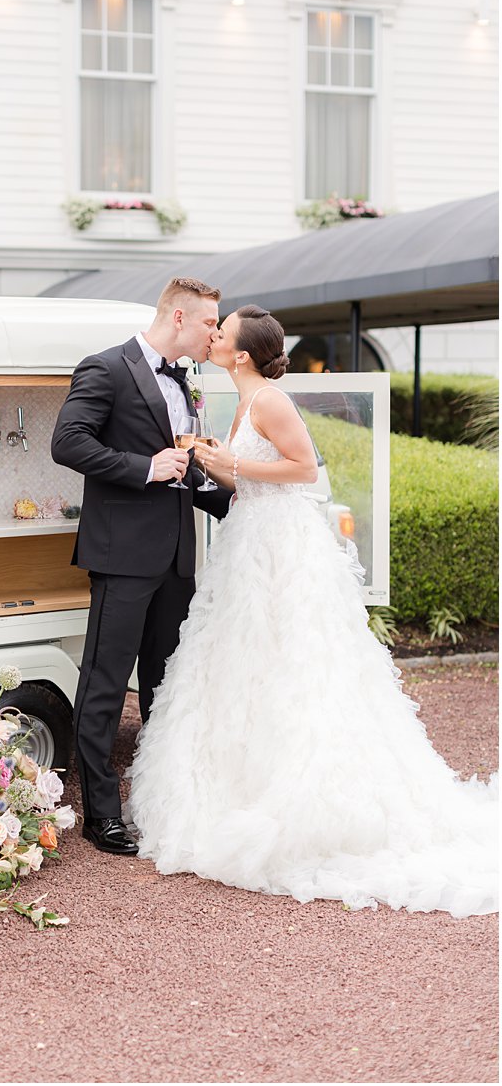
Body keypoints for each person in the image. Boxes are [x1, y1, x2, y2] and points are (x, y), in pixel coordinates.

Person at [127, 305, 497, 917]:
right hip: (248, 541)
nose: (212, 337)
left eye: (222, 333)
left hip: (282, 548)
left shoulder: (270, 400)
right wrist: (222, 464)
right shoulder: (244, 400)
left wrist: (232, 465)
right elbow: (252, 477)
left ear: (241, 354)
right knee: (241, 660)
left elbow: (305, 472)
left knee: (294, 661)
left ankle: (307, 799)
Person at [51, 277, 234, 855]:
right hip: (123, 559)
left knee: (164, 688)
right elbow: (67, 443)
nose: (217, 334)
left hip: (179, 559)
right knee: (105, 689)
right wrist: (143, 467)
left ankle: (160, 804)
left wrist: (241, 504)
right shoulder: (105, 368)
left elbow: (184, 467)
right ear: (179, 317)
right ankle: (100, 815)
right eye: (211, 324)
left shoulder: (188, 383)